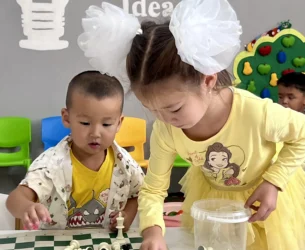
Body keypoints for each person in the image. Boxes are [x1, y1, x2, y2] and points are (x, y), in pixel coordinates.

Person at [78, 1, 305, 249]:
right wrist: (152, 232)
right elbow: (153, 189)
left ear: (208, 80)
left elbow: (302, 134)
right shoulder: (166, 129)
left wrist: (274, 182)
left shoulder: (256, 113)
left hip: (267, 200)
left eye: (174, 109)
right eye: (151, 109)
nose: (163, 119)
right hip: (213, 202)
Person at [6, 71, 144, 231]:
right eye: (85, 123)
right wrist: (26, 207)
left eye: (106, 124)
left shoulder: (125, 164)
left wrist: (126, 216)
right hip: (59, 243)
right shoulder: (50, 165)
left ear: (119, 123)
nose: (95, 133)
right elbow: (15, 199)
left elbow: (138, 193)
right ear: (66, 118)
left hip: (105, 243)